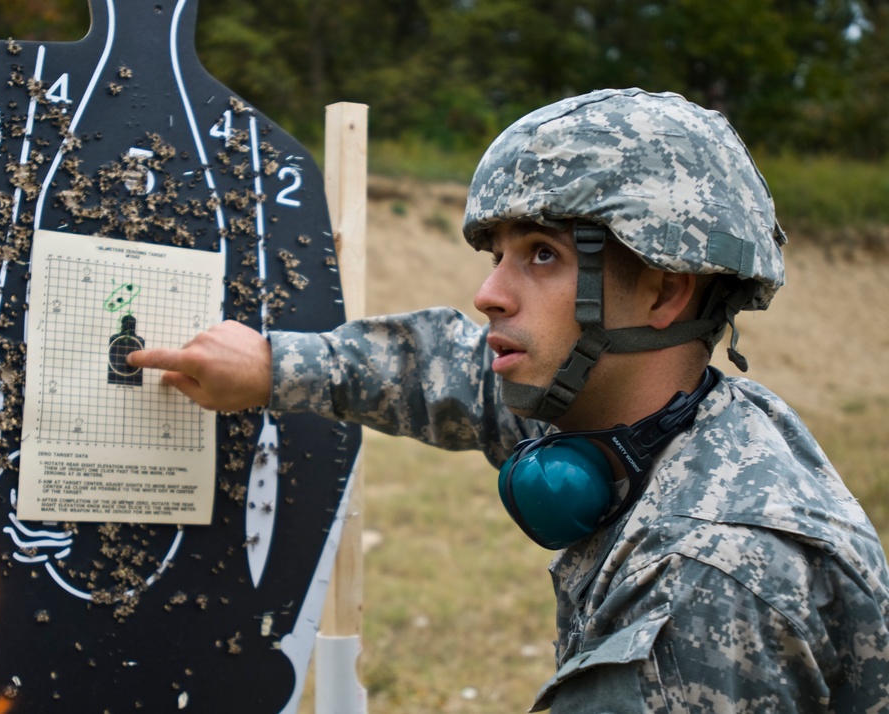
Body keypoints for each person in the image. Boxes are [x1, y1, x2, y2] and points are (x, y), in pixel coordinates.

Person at [128, 88, 889, 712]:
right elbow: (444, 370)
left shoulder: (703, 585)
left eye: (543, 255)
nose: (489, 295)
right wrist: (274, 363)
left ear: (664, 289)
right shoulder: (656, 415)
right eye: (499, 256)